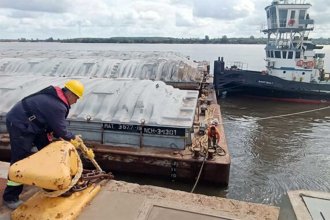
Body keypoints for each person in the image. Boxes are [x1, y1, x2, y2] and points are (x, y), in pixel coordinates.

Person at [2, 79, 85, 209]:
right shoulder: (57, 106)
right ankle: (10, 197)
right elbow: (61, 130)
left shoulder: (56, 99)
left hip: (33, 125)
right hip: (20, 124)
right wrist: (73, 138)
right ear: (70, 94)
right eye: (76, 98)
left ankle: (49, 184)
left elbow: (53, 125)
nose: (76, 101)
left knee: (47, 152)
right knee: (19, 160)